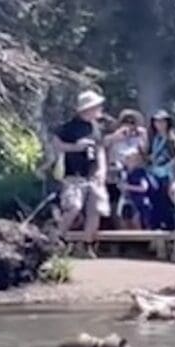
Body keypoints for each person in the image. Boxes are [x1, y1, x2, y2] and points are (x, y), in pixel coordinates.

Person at [52, 90, 111, 258]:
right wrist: (76, 147)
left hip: (92, 176)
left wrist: (102, 169)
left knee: (96, 210)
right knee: (74, 207)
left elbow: (100, 150)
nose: (99, 109)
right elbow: (57, 144)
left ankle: (87, 245)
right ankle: (57, 239)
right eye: (95, 107)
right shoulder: (68, 128)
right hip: (73, 175)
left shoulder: (95, 128)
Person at [104, 109, 148, 227]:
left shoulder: (140, 136)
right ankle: (119, 234)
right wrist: (115, 137)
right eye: (125, 122)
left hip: (134, 174)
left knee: (136, 206)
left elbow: (145, 153)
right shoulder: (114, 137)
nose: (129, 125)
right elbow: (103, 146)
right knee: (116, 205)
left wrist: (142, 137)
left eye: (132, 122)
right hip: (116, 175)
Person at [148, 109, 175, 231]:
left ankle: (174, 234)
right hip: (155, 174)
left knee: (170, 206)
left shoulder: (172, 139)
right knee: (156, 205)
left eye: (162, 122)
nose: (159, 124)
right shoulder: (154, 138)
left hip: (168, 175)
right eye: (157, 122)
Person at [118, 149, 153, 230]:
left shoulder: (139, 172)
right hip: (128, 201)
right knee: (124, 222)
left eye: (128, 158)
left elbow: (144, 188)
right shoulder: (124, 172)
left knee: (138, 222)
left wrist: (128, 187)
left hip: (140, 203)